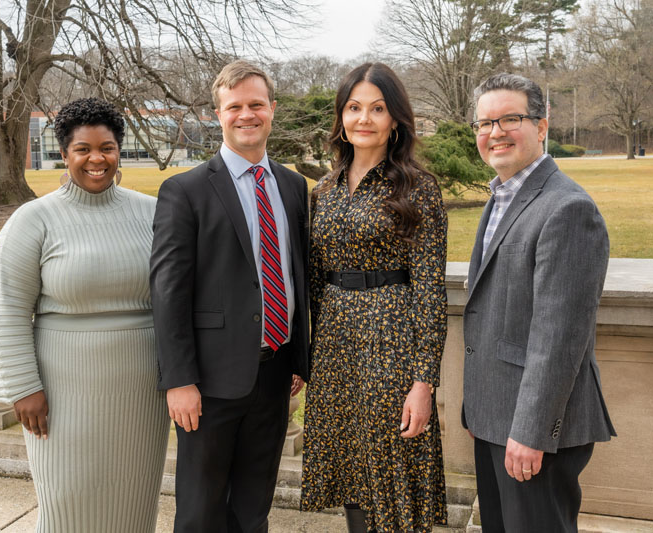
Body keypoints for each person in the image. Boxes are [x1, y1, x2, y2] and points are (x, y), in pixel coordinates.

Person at [0, 97, 170, 531]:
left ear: (118, 150)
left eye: (106, 147)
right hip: (62, 392)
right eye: (82, 149)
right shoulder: (33, 220)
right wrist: (22, 387)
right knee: (67, 505)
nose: (96, 159)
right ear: (64, 154)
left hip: (143, 391)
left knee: (134, 504)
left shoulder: (153, 214)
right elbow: (7, 308)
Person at [150, 60, 309, 532]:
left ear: (272, 110)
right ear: (217, 114)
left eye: (256, 104)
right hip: (209, 382)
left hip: (275, 374)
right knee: (200, 511)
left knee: (253, 507)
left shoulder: (293, 185)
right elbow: (168, 292)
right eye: (234, 106)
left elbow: (296, 273)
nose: (247, 114)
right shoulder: (185, 191)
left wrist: (299, 356)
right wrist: (179, 380)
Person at [462, 73, 617, 532]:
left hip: (532, 430)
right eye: (485, 122)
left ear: (542, 126)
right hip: (495, 416)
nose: (495, 132)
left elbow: (560, 337)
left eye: (511, 119)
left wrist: (529, 432)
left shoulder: (567, 208)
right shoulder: (501, 195)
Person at [300, 62, 448, 533]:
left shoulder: (417, 187)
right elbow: (314, 281)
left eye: (377, 109)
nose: (364, 119)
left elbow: (429, 287)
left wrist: (424, 382)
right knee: (352, 476)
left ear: (395, 120)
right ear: (341, 117)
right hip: (337, 345)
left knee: (395, 475)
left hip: (392, 338)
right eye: (354, 107)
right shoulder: (322, 190)